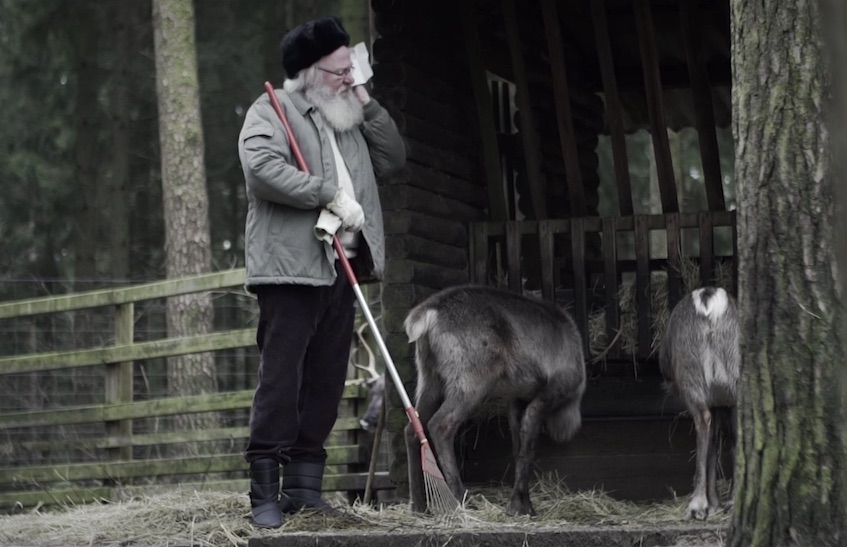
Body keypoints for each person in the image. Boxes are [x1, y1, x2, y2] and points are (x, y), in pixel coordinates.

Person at [236, 16, 405, 528]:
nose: (349, 79)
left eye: (351, 70)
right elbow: (260, 169)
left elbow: (395, 158)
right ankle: (265, 493)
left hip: (343, 268)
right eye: (339, 72)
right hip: (292, 269)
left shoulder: (351, 115)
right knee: (282, 381)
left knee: (327, 382)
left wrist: (366, 100)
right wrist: (324, 194)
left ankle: (304, 489)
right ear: (310, 73)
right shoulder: (273, 109)